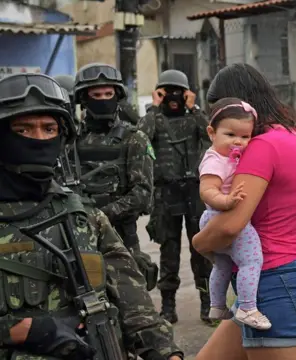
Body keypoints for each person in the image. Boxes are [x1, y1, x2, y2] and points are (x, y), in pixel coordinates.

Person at [0, 72, 183, 360]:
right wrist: (17, 330)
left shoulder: (84, 217)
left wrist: (165, 352)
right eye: (23, 130)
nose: (39, 139)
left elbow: (135, 305)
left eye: (49, 129)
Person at [193, 63, 296, 360]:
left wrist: (200, 243)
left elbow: (230, 225)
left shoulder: (261, 147)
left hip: (273, 286)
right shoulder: (293, 136)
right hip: (285, 281)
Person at [72, 63, 158, 291]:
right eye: (96, 94)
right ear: (83, 98)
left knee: (134, 313)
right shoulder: (71, 141)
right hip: (79, 239)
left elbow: (143, 195)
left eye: (108, 94)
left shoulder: (134, 139)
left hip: (122, 239)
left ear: (117, 96)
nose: (103, 99)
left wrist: (101, 215)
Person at [137, 69, 212, 324]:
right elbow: (139, 139)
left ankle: (207, 303)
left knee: (200, 248)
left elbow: (210, 136)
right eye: (168, 91)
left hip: (193, 191)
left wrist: (194, 108)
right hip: (166, 192)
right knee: (169, 252)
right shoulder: (154, 119)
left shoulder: (194, 118)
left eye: (178, 91)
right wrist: (154, 107)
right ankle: (168, 306)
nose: (174, 97)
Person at [199, 97, 271, 330]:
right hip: (221, 215)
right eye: (230, 135)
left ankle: (217, 305)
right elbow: (207, 190)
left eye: (245, 136)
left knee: (222, 265)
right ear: (212, 132)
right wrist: (227, 201)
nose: (238, 142)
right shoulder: (214, 160)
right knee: (252, 260)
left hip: (213, 217)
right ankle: (248, 308)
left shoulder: (226, 156)